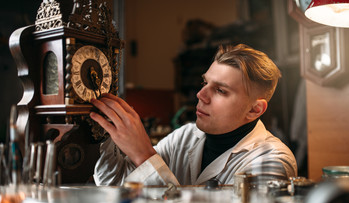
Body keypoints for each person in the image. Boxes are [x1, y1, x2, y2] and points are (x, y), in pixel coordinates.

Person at [90, 44, 297, 186]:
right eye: (205, 83)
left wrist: (144, 155)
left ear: (255, 110)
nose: (201, 95)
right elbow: (114, 183)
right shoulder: (185, 137)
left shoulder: (272, 160)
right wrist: (102, 128)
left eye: (220, 90)